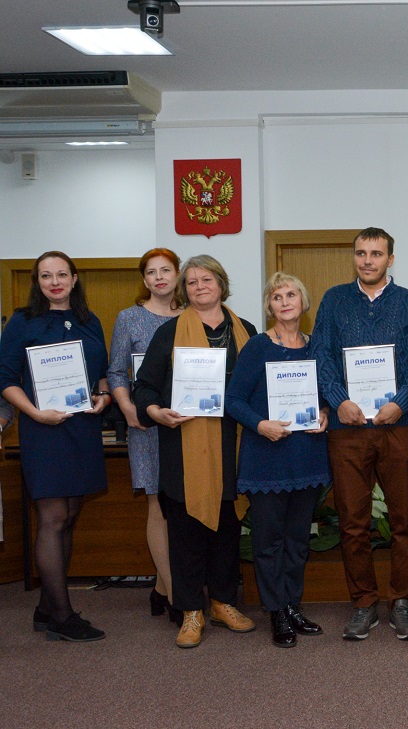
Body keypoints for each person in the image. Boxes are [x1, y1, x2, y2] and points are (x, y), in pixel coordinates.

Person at [312, 227, 408, 641]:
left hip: (400, 427)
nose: (367, 260)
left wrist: (401, 401)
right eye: (361, 253)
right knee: (352, 523)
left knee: (404, 522)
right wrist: (338, 398)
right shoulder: (333, 300)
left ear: (390, 259)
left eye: (376, 253)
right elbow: (321, 355)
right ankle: (364, 603)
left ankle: (401, 601)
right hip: (349, 428)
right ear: (354, 257)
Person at [133, 255, 258, 648]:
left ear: (221, 284)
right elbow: (145, 388)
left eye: (207, 279)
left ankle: (222, 602)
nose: (199, 286)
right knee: (186, 532)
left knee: (226, 528)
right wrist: (156, 411)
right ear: (183, 290)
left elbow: (260, 387)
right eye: (191, 282)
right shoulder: (168, 333)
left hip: (233, 443)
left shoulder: (248, 331)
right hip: (184, 445)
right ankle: (190, 610)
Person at [0, 251, 111, 642]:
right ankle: (63, 616)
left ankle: (46, 608)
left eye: (61, 274)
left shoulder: (89, 320)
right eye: (46, 276)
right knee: (53, 518)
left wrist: (103, 396)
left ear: (75, 278)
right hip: (43, 429)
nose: (54, 281)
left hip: (81, 427)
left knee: (71, 513)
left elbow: (100, 373)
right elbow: (5, 377)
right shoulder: (22, 321)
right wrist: (32, 411)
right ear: (37, 281)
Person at [227, 273, 330, 648]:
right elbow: (233, 400)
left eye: (291, 295)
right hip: (267, 457)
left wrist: (325, 412)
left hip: (307, 457)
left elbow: (326, 394)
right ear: (269, 306)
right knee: (269, 540)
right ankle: (276, 611)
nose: (285, 301)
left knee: (299, 539)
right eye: (276, 296)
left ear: (304, 303)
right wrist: (260, 424)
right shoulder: (256, 347)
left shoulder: (317, 346)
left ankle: (293, 605)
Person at [108, 247, 183, 626]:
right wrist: (128, 409)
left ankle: (160, 588)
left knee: (181, 507)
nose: (159, 278)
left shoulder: (191, 316)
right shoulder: (129, 319)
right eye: (151, 272)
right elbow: (117, 371)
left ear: (177, 274)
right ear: (144, 279)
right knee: (158, 504)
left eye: (165, 270)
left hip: (186, 425)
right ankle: (175, 596)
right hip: (147, 426)